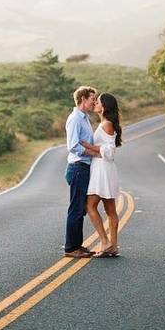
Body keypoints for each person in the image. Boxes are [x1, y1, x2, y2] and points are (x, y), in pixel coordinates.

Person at [63, 86, 100, 258]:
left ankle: (77, 245)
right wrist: (94, 152)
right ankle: (71, 248)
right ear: (83, 99)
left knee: (81, 209)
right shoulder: (75, 119)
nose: (95, 102)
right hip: (78, 168)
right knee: (76, 209)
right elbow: (73, 146)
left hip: (84, 167)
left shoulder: (84, 118)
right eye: (92, 98)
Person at [85, 92, 123, 257]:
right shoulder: (104, 123)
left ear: (104, 107)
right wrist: (89, 151)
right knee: (110, 210)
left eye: (98, 102)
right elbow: (104, 151)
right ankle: (112, 246)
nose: (95, 104)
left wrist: (90, 147)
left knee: (90, 206)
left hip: (103, 170)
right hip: (101, 167)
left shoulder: (106, 124)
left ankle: (106, 243)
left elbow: (110, 152)